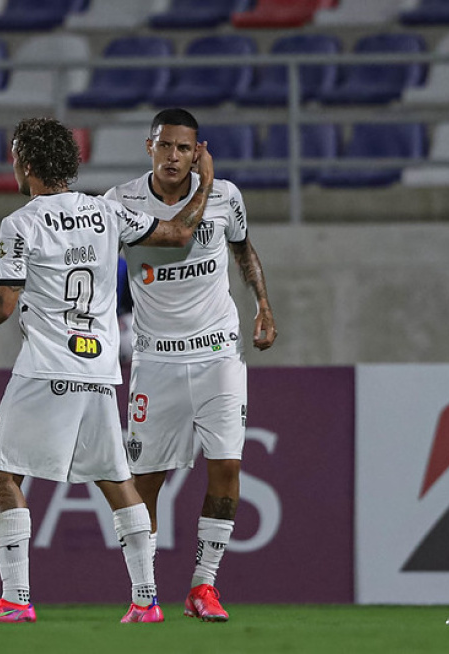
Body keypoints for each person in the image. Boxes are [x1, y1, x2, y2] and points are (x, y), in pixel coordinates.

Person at [0, 117, 215, 623]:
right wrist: (206, 185)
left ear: (24, 163)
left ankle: (16, 599)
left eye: (16, 155)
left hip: (47, 368)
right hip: (100, 369)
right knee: (116, 481)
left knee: (0, 478)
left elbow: (2, 305)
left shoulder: (22, 223)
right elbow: (178, 234)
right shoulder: (108, 212)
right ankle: (146, 599)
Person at [105, 108, 277, 622]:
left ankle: (204, 587)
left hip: (219, 350)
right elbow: (177, 233)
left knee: (226, 466)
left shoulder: (229, 196)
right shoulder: (122, 202)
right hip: (156, 358)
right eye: (165, 146)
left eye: (184, 148)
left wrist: (263, 305)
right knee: (146, 482)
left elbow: (244, 250)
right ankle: (144, 594)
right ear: (148, 147)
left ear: (195, 148)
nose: (174, 156)